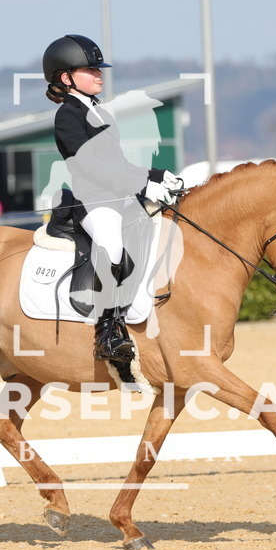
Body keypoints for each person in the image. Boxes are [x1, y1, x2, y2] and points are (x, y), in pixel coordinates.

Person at [42, 33, 183, 380]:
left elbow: (117, 164)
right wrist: (143, 185)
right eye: (90, 69)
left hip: (118, 197)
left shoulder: (100, 111)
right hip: (93, 201)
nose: (99, 74)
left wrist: (158, 175)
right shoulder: (67, 116)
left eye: (98, 69)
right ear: (66, 77)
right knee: (112, 245)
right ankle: (107, 332)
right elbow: (91, 165)